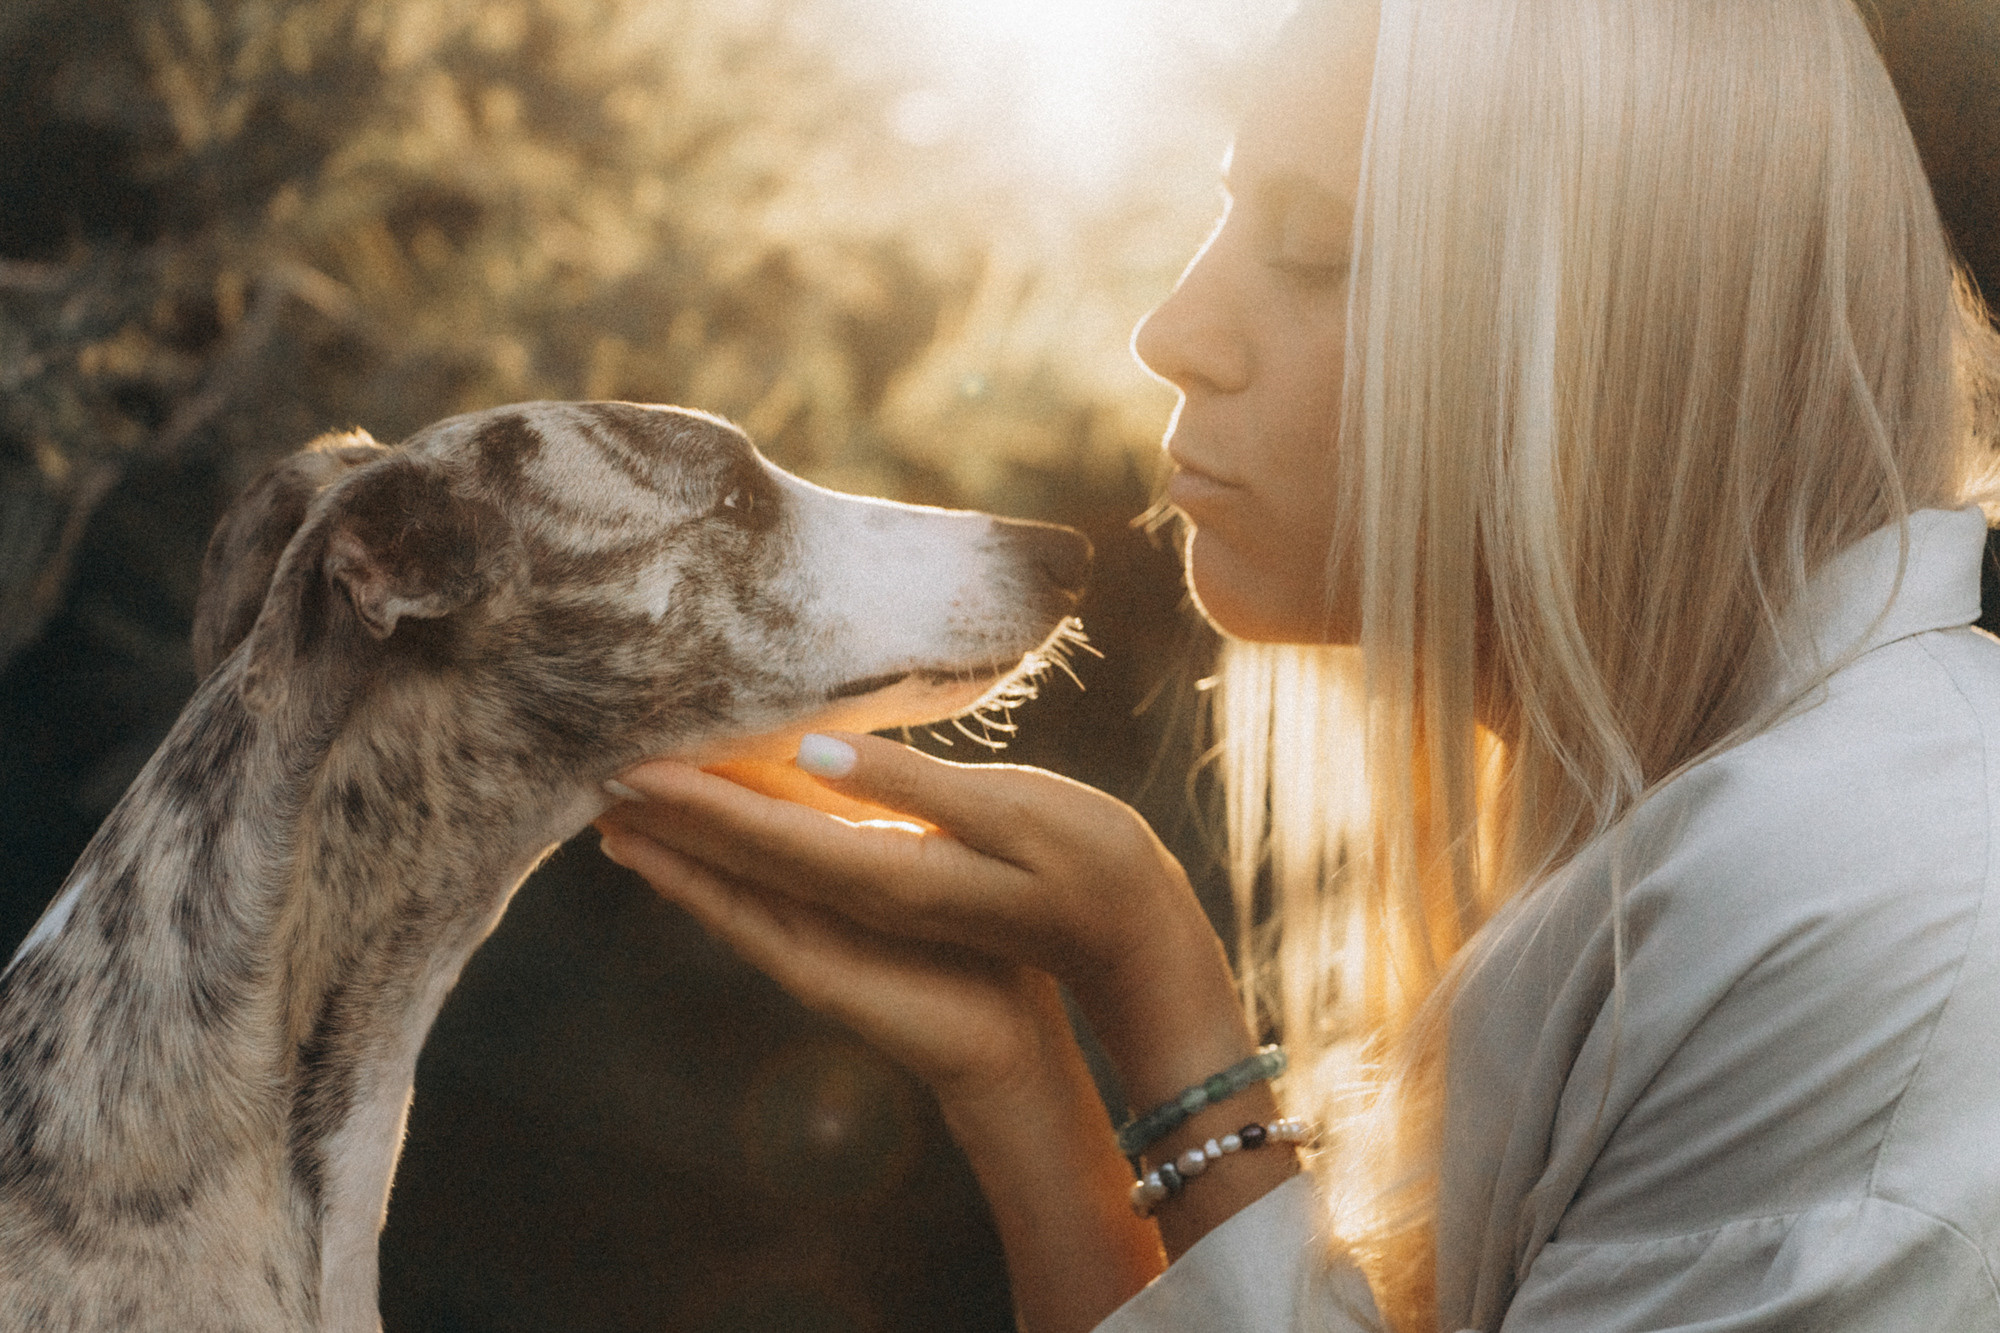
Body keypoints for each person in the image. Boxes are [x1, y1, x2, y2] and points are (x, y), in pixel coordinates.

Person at [594, 0, 2000, 1328]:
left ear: (1604, 328)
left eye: (1313, 249)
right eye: (1223, 222)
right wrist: (1021, 1077)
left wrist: (1162, 995)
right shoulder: (1730, 833)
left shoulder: (1864, 884)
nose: (1174, 333)